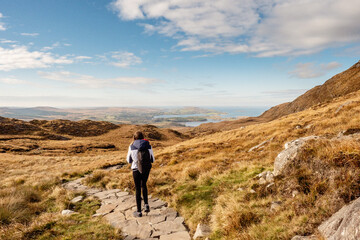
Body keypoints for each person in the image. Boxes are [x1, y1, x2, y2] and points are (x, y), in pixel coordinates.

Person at [126, 131, 155, 217]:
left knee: (138, 189)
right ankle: (146, 204)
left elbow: (128, 160)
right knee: (144, 185)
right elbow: (152, 159)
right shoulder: (148, 145)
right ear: (143, 137)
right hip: (146, 168)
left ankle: (139, 211)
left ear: (134, 138)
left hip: (136, 169)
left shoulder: (131, 147)